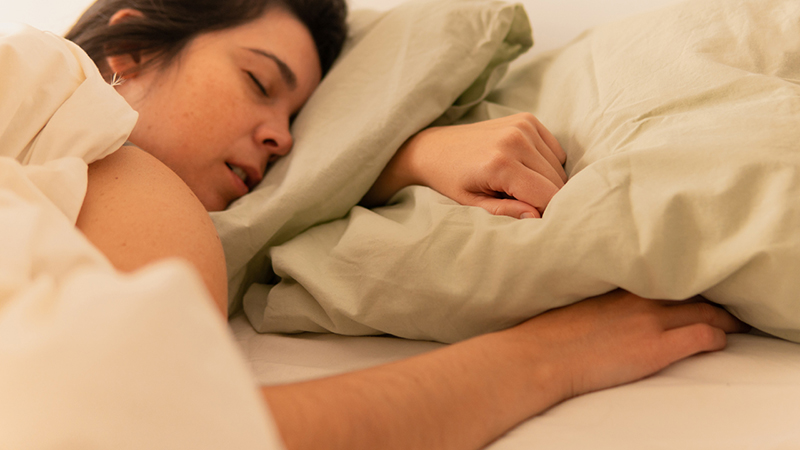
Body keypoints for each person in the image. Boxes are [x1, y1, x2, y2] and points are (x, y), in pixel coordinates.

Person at [1, 0, 747, 449]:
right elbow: (155, 434)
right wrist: (549, 357)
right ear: (127, 48)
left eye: (297, 121)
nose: (282, 139)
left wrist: (390, 159)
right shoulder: (78, 128)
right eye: (259, 82)